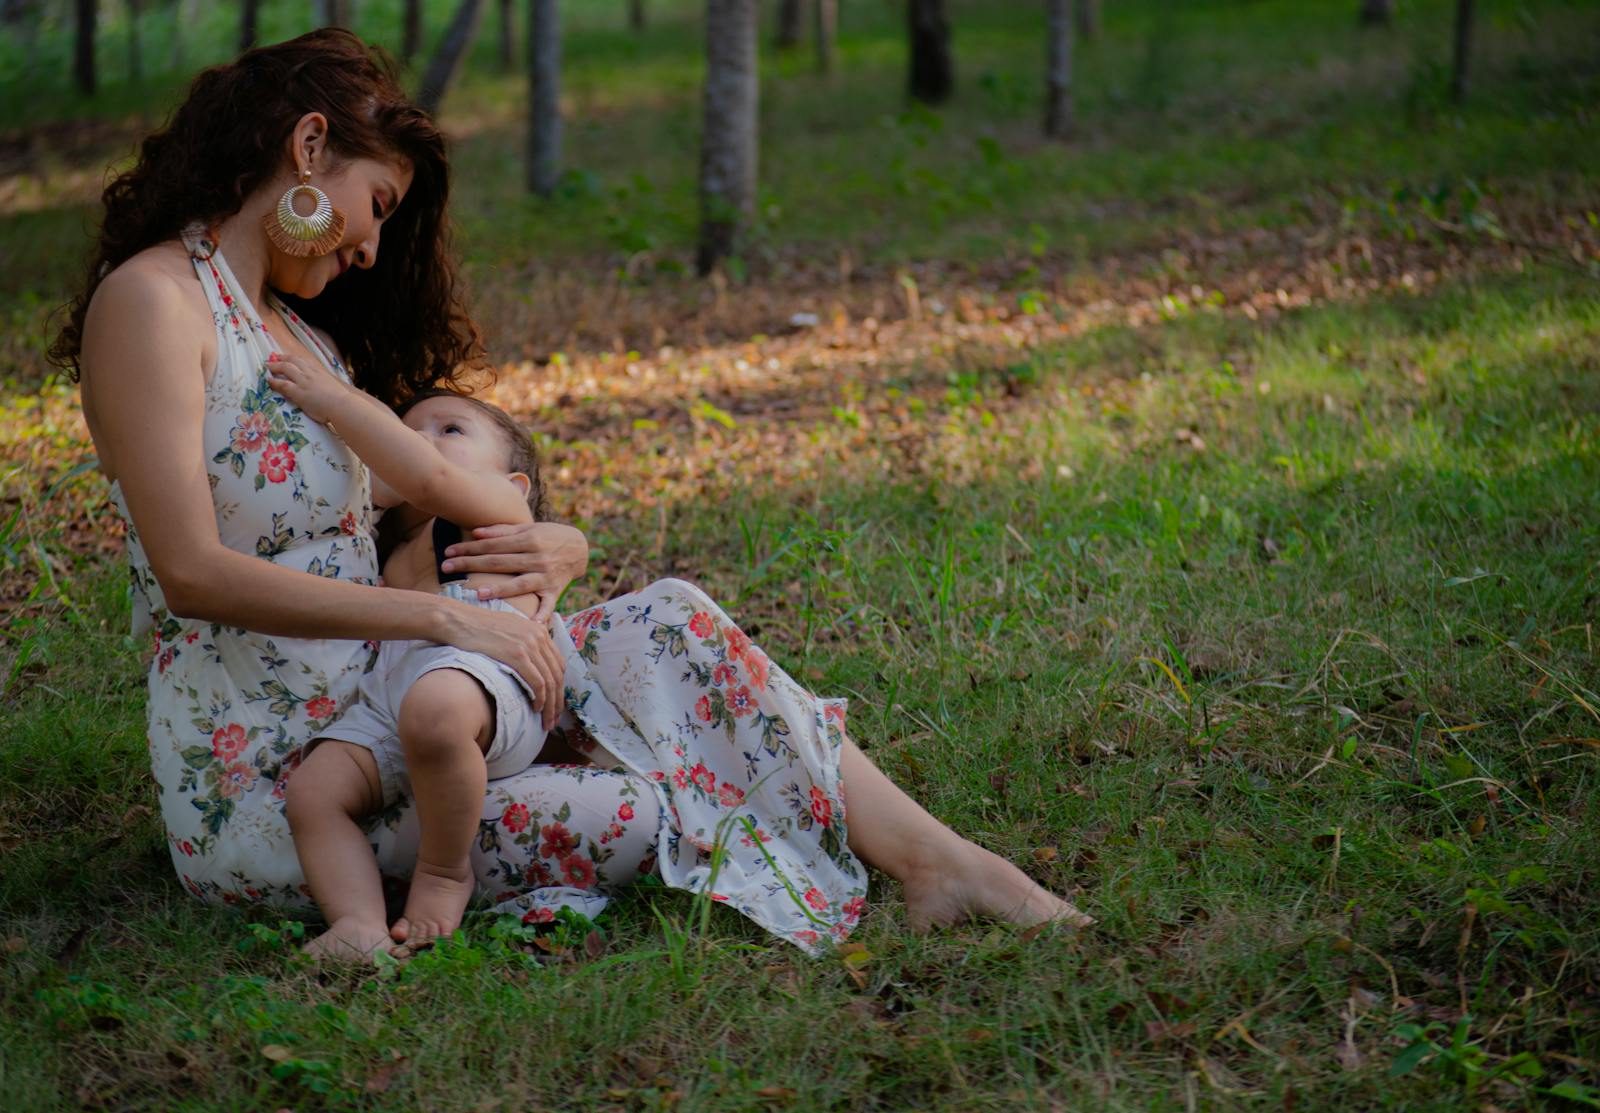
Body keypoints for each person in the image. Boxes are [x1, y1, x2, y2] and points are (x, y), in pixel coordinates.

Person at [55, 28, 1091, 960]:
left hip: (397, 707)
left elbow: (432, 493)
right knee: (641, 810)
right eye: (376, 207)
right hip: (290, 791)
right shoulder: (151, 304)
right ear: (310, 146)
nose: (370, 248)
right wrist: (447, 616)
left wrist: (564, 545)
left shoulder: (300, 337)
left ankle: (940, 864)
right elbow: (192, 573)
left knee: (672, 619)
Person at [267, 373, 564, 956]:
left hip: (488, 675)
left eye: (449, 429)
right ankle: (356, 921)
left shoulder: (497, 513)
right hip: (392, 688)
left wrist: (343, 406)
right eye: (404, 431)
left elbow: (432, 477)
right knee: (313, 790)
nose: (417, 441)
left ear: (516, 483)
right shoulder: (389, 545)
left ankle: (446, 872)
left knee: (434, 710)